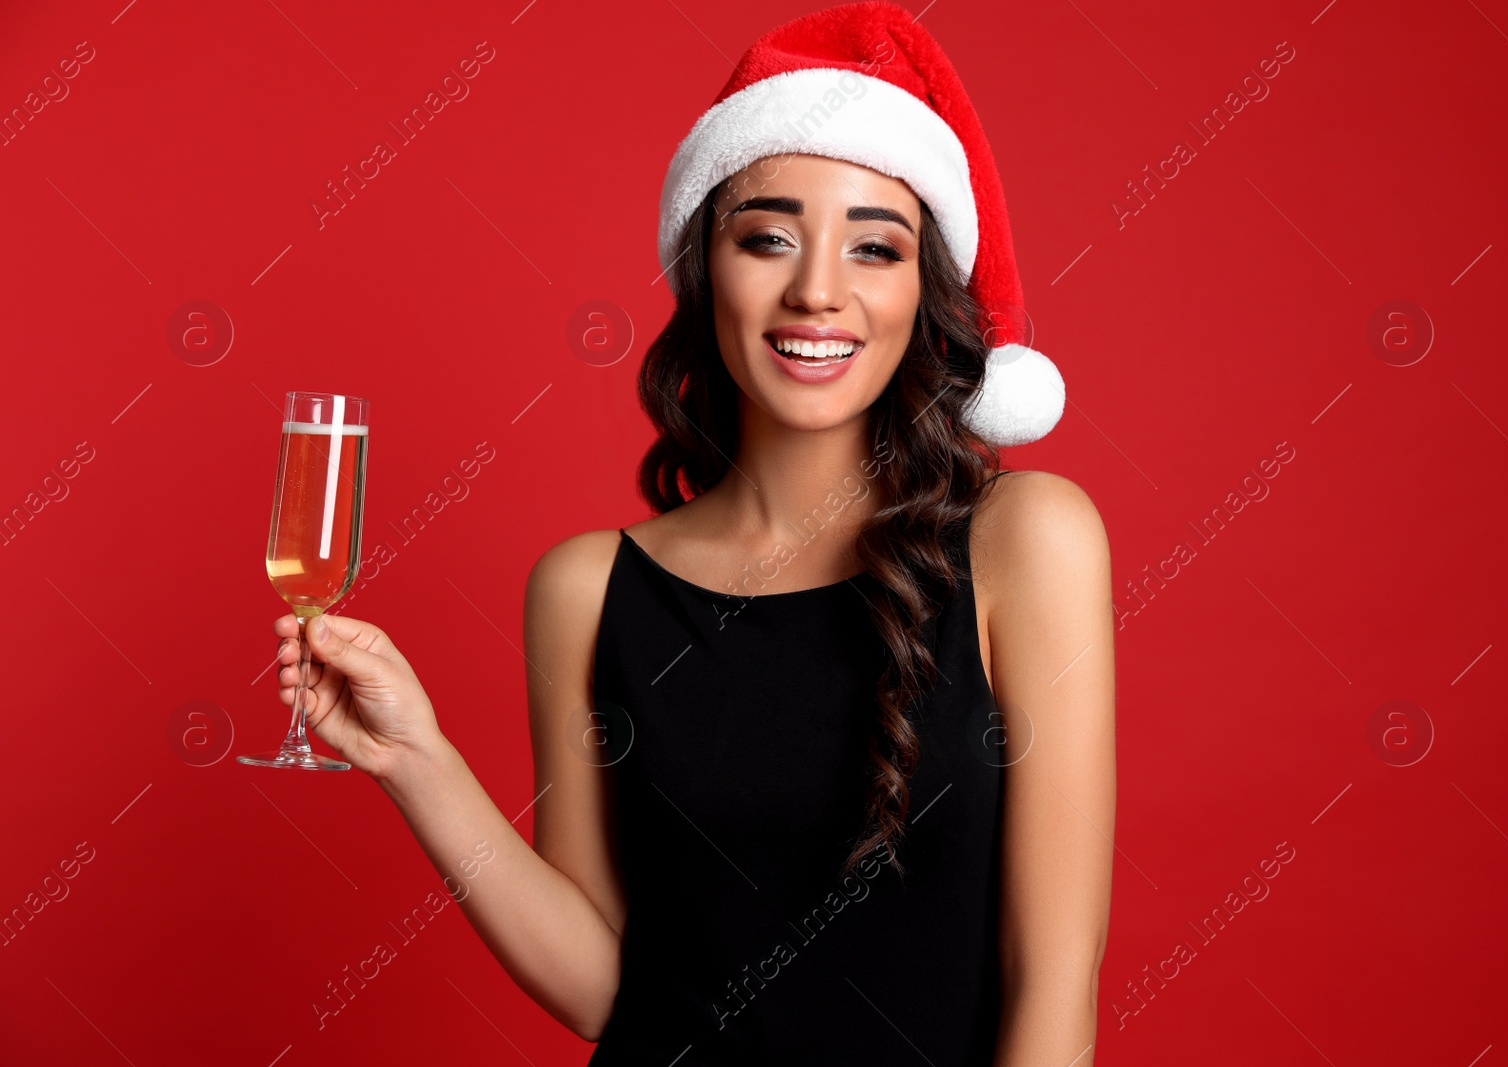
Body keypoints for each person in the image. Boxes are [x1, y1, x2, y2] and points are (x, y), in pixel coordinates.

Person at [269, 3, 1115, 1063]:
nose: (817, 289)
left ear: (922, 291)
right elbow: (601, 986)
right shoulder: (585, 586)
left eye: (874, 247)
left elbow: (1055, 972)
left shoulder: (1026, 537)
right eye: (767, 236)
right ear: (702, 266)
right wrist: (417, 760)